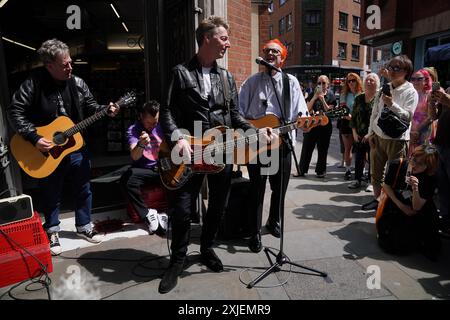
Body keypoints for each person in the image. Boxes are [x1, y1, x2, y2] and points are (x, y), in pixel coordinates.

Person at [158, 16, 272, 294]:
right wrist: (177, 138)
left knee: (218, 206)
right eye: (223, 38)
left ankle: (207, 248)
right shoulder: (180, 72)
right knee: (183, 210)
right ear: (207, 38)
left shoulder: (227, 77)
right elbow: (167, 111)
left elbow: (235, 116)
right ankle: (177, 260)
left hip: (222, 154)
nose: (228, 44)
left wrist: (257, 131)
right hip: (189, 151)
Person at [7, 39, 120, 255]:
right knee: (51, 191)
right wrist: (33, 137)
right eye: (64, 64)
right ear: (49, 66)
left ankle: (84, 226)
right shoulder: (33, 84)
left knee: (84, 187)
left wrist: (106, 109)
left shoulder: (77, 83)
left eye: (70, 62)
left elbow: (91, 107)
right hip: (46, 148)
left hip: (76, 146)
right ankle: (52, 230)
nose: (70, 67)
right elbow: (15, 111)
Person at [239, 39, 308, 253]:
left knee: (279, 188)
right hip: (256, 144)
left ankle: (273, 221)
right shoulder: (251, 82)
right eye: (267, 50)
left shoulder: (291, 82)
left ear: (282, 58)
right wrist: (254, 129)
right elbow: (239, 113)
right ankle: (254, 231)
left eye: (275, 52)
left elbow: (301, 111)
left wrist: (305, 120)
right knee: (257, 189)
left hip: (283, 143)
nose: (270, 54)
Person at [362, 55, 418, 211]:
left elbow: (409, 116)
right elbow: (375, 113)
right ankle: (377, 200)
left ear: (406, 71)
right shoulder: (383, 89)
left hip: (398, 139)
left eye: (396, 68)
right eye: (390, 67)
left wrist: (392, 104)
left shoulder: (410, 91)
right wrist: (371, 133)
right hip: (378, 137)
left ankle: (390, 205)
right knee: (376, 173)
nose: (391, 71)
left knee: (394, 176)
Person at [376, 145, 441, 261]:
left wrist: (416, 189)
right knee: (396, 244)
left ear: (429, 166)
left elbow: (417, 207)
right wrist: (401, 206)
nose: (415, 165)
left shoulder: (430, 178)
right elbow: (386, 185)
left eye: (421, 164)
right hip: (398, 205)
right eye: (414, 159)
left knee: (428, 246)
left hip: (421, 211)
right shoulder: (398, 165)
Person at [120, 100, 168, 235]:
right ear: (141, 117)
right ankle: (146, 214)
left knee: (183, 175)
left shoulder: (162, 125)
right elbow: (134, 157)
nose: (152, 126)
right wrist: (141, 144)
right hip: (145, 169)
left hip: (164, 166)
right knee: (126, 180)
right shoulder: (133, 129)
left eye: (155, 122)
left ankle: (166, 213)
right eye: (149, 123)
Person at [297, 75, 336, 178]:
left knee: (323, 149)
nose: (321, 85)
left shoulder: (331, 96)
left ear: (328, 85)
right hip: (312, 125)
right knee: (306, 148)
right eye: (319, 83)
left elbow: (330, 112)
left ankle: (321, 171)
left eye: (323, 83)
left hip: (325, 127)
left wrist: (322, 99)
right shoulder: (311, 94)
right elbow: (307, 109)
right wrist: (314, 97)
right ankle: (301, 170)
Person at [348, 73, 380, 189]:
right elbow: (354, 117)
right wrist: (354, 133)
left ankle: (371, 182)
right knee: (359, 158)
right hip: (359, 134)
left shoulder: (379, 98)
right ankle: (357, 179)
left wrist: (370, 134)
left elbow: (379, 119)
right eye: (367, 80)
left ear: (377, 83)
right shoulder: (359, 98)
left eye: (372, 80)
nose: (369, 82)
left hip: (373, 135)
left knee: (373, 159)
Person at [429, 86, 450, 237]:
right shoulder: (448, 89)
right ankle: (446, 222)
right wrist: (431, 103)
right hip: (441, 144)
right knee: (443, 187)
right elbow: (434, 117)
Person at [339, 73, 363, 180]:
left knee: (360, 149)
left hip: (360, 124)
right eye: (349, 81)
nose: (351, 83)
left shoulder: (362, 94)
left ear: (358, 81)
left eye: (353, 80)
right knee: (348, 148)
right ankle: (348, 170)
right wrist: (349, 116)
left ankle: (360, 172)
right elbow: (342, 111)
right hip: (346, 124)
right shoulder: (344, 94)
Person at [409, 69, 433, 156]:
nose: (415, 81)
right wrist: (410, 131)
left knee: (422, 157)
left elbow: (430, 117)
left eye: (419, 79)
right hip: (410, 132)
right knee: (410, 159)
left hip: (423, 131)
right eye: (413, 79)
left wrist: (416, 131)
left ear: (426, 80)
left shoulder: (429, 95)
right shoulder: (410, 94)